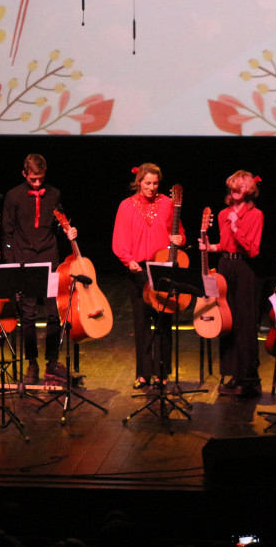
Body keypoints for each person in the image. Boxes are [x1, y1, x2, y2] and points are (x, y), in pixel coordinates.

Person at [1, 154, 77, 385]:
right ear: (24, 174)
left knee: (55, 313)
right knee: (28, 316)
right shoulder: (13, 195)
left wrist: (69, 231)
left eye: (40, 179)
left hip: (49, 258)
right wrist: (13, 264)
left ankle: (52, 361)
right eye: (33, 179)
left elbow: (60, 220)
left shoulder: (54, 194)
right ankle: (32, 363)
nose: (37, 184)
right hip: (24, 261)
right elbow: (7, 233)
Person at [112, 163, 185, 389]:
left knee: (163, 322)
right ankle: (143, 373)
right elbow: (120, 236)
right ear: (138, 182)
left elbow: (179, 232)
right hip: (139, 269)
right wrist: (128, 259)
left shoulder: (167, 203)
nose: (152, 187)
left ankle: (162, 372)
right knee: (141, 322)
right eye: (147, 183)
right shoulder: (126, 206)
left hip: (162, 268)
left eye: (155, 183)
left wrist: (180, 239)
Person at [199, 170, 264, 397]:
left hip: (244, 269)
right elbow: (225, 245)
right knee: (225, 319)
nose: (236, 190)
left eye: (241, 187)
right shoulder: (223, 214)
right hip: (226, 266)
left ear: (249, 190)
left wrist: (237, 227)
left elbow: (253, 250)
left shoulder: (256, 215)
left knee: (245, 322)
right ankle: (232, 373)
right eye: (233, 186)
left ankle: (249, 378)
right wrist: (210, 247)